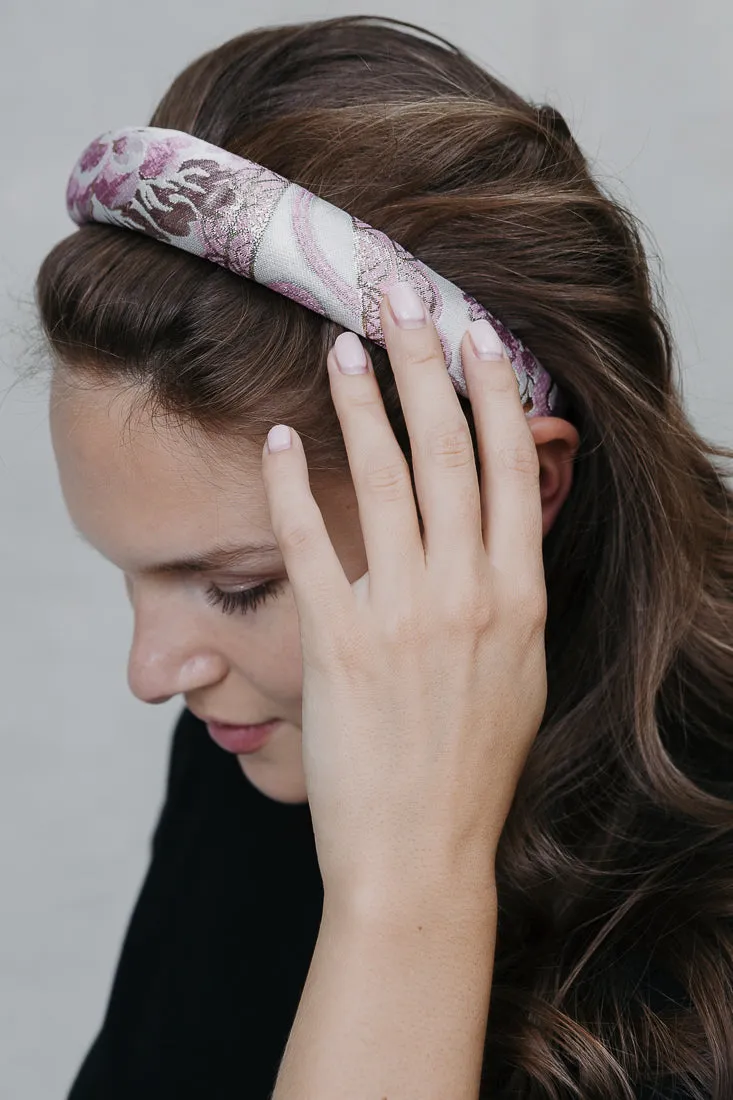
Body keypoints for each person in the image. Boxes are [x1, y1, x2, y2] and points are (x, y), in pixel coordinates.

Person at [29, 14, 733, 1100]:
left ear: (520, 486)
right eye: (131, 575)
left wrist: (407, 892)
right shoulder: (266, 746)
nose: (155, 670)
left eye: (238, 585)